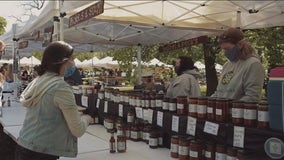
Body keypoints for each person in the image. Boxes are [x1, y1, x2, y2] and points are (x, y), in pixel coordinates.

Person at [15, 41, 94, 160]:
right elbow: (77, 130)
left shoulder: (39, 80)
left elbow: (46, 111)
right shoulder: (60, 87)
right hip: (42, 152)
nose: (73, 63)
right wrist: (87, 119)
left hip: (24, 145)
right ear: (62, 61)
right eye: (72, 59)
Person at [211, 28, 265, 102]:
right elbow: (219, 92)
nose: (225, 52)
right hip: (222, 111)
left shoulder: (253, 64)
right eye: (223, 49)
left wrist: (230, 108)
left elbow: (252, 97)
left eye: (227, 49)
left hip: (239, 112)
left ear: (240, 44)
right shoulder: (227, 65)